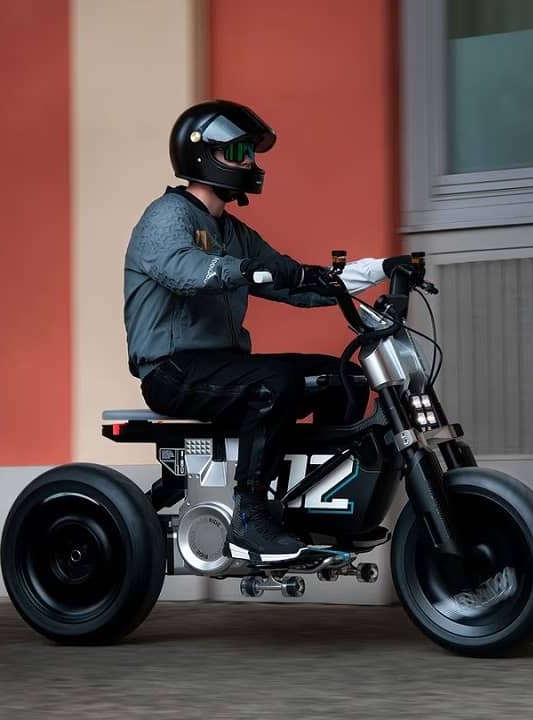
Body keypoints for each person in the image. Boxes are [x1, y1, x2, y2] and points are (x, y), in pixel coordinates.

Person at [123, 99, 408, 563]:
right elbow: (183, 270)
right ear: (202, 154)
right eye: (239, 152)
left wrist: (380, 269)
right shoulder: (167, 216)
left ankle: (306, 506)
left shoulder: (233, 232)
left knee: (345, 378)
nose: (250, 163)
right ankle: (250, 519)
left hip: (222, 368)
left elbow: (295, 281)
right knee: (276, 383)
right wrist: (245, 270)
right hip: (172, 371)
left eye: (251, 154)